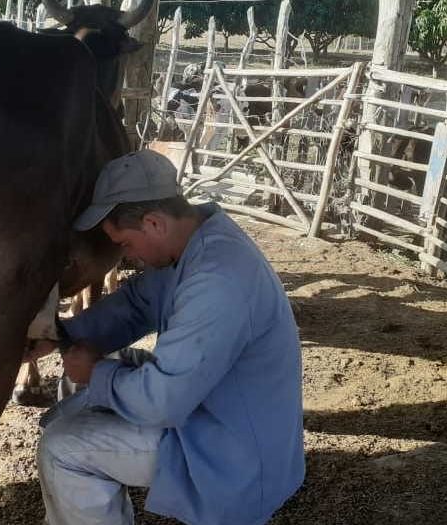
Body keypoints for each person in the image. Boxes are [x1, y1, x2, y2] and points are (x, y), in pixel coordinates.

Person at [28, 149, 305, 525]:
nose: (130, 256)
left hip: (231, 448)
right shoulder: (195, 241)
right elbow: (138, 302)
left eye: (125, 244)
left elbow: (162, 403)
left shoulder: (216, 281)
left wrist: (96, 373)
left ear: (154, 223)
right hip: (215, 411)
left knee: (62, 448)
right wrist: (63, 335)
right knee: (74, 400)